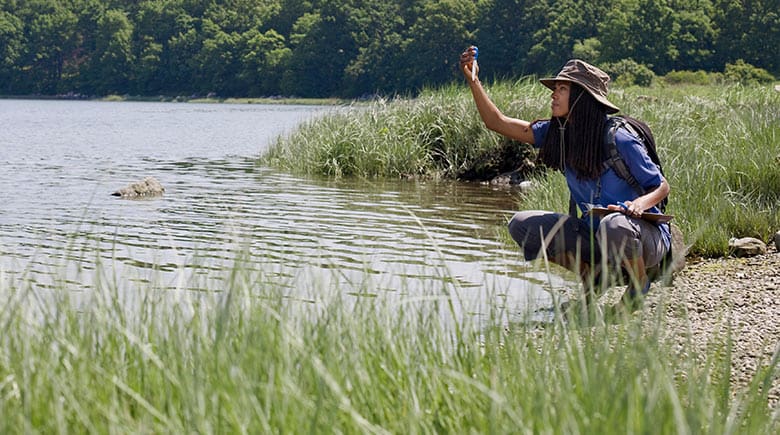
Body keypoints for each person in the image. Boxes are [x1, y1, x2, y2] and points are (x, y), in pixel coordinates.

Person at [459, 47, 670, 309]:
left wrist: (638, 205)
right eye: (554, 88)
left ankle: (639, 285)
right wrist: (474, 81)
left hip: (642, 238)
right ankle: (595, 279)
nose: (553, 94)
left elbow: (661, 186)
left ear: (581, 97)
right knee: (521, 225)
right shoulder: (557, 134)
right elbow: (497, 122)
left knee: (614, 225)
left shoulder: (619, 138)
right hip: (595, 236)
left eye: (562, 89)